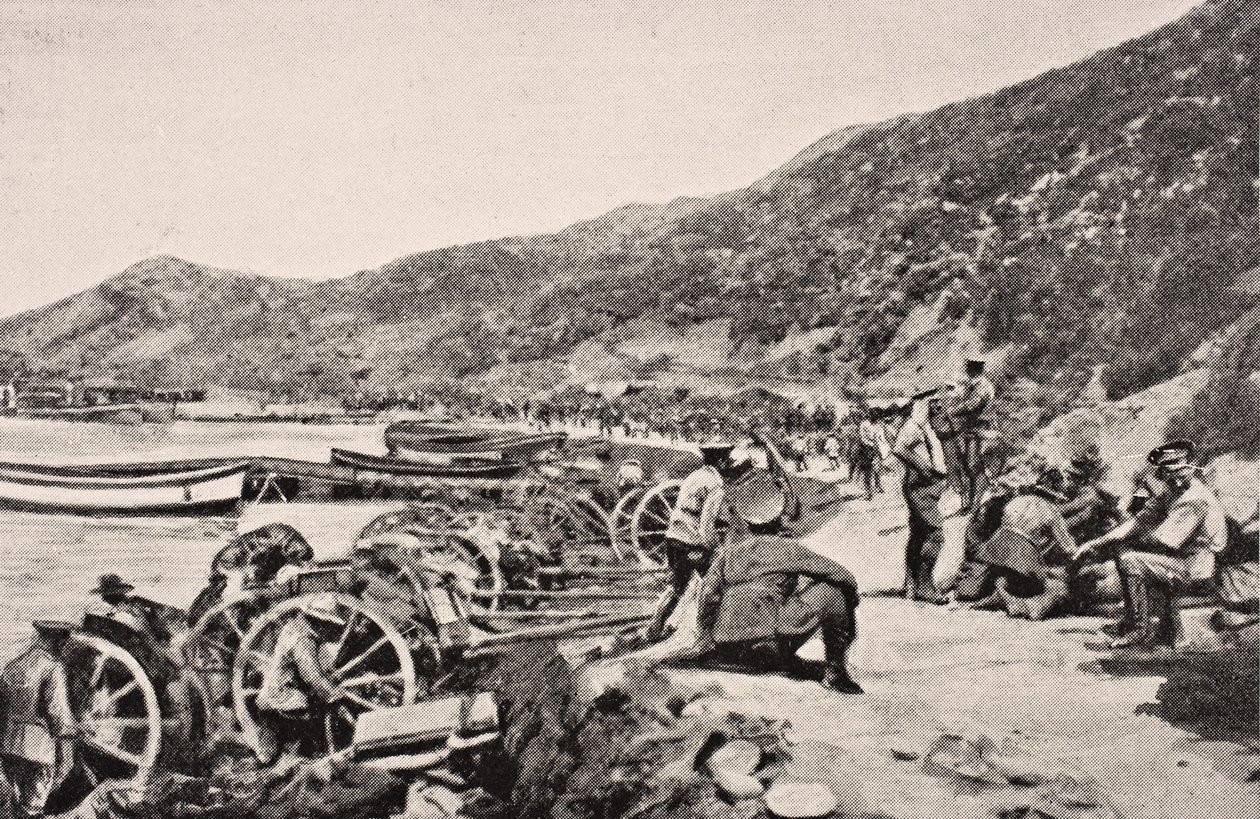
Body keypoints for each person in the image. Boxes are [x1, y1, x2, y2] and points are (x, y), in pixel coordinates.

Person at [683, 476, 862, 694]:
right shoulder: (788, 548)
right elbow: (845, 577)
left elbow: (708, 596)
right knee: (833, 592)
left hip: (728, 648)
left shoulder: (727, 555)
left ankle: (771, 656)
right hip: (767, 645)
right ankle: (835, 672)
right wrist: (850, 603)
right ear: (778, 518)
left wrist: (705, 637)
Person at [1072, 441, 1228, 648]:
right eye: (1167, 468)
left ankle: (1139, 630)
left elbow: (1163, 542)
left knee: (1130, 559)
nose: (1173, 473)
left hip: (1197, 568)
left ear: (1192, 465)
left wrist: (1120, 547)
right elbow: (1138, 522)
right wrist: (1097, 543)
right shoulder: (1172, 492)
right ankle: (1135, 623)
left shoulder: (1193, 498)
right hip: (1182, 562)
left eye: (1179, 466)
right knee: (1125, 553)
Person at [645, 439, 738, 642]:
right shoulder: (715, 484)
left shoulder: (694, 476)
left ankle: (654, 629)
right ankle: (707, 634)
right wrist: (714, 548)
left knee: (677, 587)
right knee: (718, 583)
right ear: (721, 462)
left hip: (674, 539)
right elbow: (706, 523)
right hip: (691, 543)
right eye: (727, 460)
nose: (729, 463)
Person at [962, 463, 1077, 620]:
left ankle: (1003, 596)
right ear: (1055, 495)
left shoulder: (1018, 500)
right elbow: (1068, 546)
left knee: (1006, 575)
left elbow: (1004, 523)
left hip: (996, 545)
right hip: (1022, 552)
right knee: (1055, 586)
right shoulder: (1052, 511)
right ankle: (1023, 604)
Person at [255, 595, 349, 762]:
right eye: (329, 625)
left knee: (271, 755)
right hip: (284, 698)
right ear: (319, 621)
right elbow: (311, 675)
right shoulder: (303, 639)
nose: (330, 629)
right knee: (286, 754)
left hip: (274, 696)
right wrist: (335, 695)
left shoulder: (294, 627)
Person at [0, 621, 77, 819]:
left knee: (15, 807)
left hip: (8, 748)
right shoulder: (53, 667)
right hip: (39, 750)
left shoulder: (12, 667)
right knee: (33, 809)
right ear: (57, 640)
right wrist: (67, 754)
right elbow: (58, 713)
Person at [892, 397, 950, 603]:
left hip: (927, 487)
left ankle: (910, 584)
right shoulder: (914, 425)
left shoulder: (927, 424)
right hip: (922, 487)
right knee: (935, 534)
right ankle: (925, 587)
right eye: (932, 401)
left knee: (918, 534)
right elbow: (899, 448)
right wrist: (924, 469)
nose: (938, 404)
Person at [944, 357, 996, 511]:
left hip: (981, 430)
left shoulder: (983, 386)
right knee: (966, 466)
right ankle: (970, 502)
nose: (966, 371)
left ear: (974, 370)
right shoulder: (972, 386)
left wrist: (953, 410)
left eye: (968, 369)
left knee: (973, 466)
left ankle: (975, 504)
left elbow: (972, 405)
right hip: (969, 430)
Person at [855, 408, 888, 500]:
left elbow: (881, 438)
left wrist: (884, 447)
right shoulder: (864, 424)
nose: (877, 419)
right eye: (875, 417)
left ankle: (878, 485)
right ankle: (868, 492)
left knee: (877, 468)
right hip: (866, 449)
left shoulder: (879, 425)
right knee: (867, 471)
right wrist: (872, 445)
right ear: (871, 416)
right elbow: (863, 438)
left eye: (878, 417)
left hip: (876, 449)